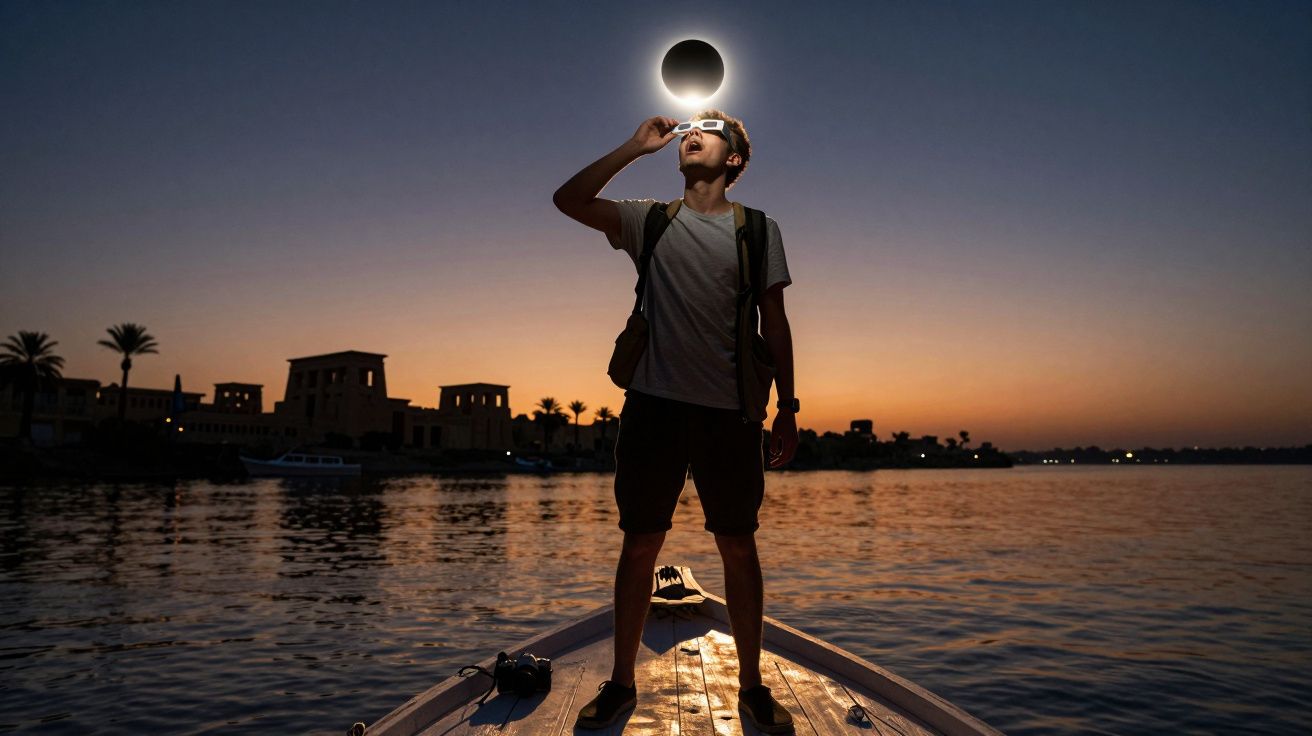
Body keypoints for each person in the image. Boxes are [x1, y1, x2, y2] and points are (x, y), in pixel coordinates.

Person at [552, 110, 799, 734]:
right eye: (691, 129)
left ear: (734, 159)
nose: (694, 133)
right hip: (652, 408)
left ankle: (751, 686)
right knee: (640, 544)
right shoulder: (649, 220)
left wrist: (787, 409)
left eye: (711, 129)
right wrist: (634, 147)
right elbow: (568, 198)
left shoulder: (758, 230)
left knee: (738, 545)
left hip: (730, 415)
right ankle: (620, 683)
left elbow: (776, 321)